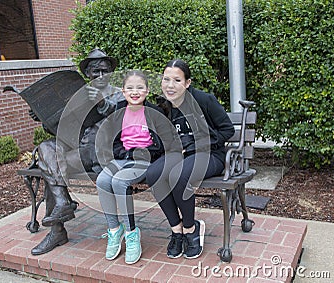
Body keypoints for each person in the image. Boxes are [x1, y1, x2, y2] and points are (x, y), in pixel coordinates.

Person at [30, 49, 125, 255]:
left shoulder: (118, 92)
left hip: (99, 153)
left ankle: (57, 229)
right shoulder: (78, 95)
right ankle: (63, 203)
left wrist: (100, 102)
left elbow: (120, 116)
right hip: (74, 150)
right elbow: (62, 127)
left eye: (104, 71)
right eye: (95, 72)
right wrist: (43, 118)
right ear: (87, 74)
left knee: (51, 169)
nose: (100, 76)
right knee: (46, 148)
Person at [146, 59, 235, 259]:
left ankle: (190, 228)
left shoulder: (204, 100)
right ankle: (176, 229)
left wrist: (204, 144)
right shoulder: (165, 106)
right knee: (153, 174)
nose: (170, 85)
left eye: (177, 80)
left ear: (187, 83)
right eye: (166, 79)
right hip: (180, 155)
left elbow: (227, 130)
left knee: (180, 175)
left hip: (210, 155)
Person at [95, 70, 180, 264]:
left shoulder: (154, 113)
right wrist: (123, 154)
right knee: (102, 181)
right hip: (123, 158)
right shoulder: (118, 113)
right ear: (123, 92)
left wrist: (144, 151)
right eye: (130, 88)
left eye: (140, 88)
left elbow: (163, 143)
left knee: (119, 182)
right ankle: (115, 231)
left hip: (144, 160)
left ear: (147, 91)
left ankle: (132, 234)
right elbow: (113, 141)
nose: (135, 92)